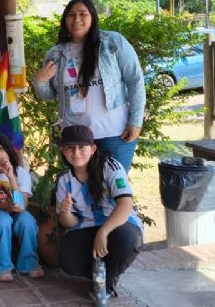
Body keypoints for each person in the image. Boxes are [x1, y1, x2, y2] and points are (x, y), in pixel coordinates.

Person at [33, 0, 145, 171]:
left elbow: (135, 80)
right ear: (64, 20)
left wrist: (136, 121)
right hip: (74, 138)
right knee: (79, 193)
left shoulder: (113, 42)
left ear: (92, 17)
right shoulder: (55, 54)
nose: (77, 19)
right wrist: (40, 80)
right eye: (71, 15)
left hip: (115, 134)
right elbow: (50, 94)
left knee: (114, 191)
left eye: (83, 14)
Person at [56, 125, 142, 299]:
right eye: (71, 148)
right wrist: (65, 213)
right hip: (88, 227)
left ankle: (107, 282)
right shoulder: (64, 180)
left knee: (127, 238)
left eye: (82, 147)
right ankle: (98, 270)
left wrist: (103, 232)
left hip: (118, 225)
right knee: (66, 256)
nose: (76, 152)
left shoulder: (110, 167)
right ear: (63, 150)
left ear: (93, 149)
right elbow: (69, 223)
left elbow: (125, 203)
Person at [0, 132, 43, 282]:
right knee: (3, 219)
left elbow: (22, 205)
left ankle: (29, 263)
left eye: (0, 149)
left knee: (27, 220)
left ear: (8, 150)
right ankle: (2, 266)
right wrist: (8, 205)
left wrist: (11, 177)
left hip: (16, 211)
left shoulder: (21, 173)